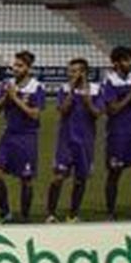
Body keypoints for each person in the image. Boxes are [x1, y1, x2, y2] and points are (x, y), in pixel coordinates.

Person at [0, 50, 45, 223]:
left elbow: (35, 115)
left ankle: (25, 217)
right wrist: (7, 96)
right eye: (15, 65)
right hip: (8, 135)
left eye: (20, 66)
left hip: (27, 137)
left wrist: (16, 99)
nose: (15, 69)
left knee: (26, 179)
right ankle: (5, 212)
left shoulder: (36, 87)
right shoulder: (8, 84)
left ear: (28, 68)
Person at [100, 45, 131, 221]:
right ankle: (110, 211)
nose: (130, 63)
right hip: (117, 133)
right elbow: (113, 110)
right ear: (116, 63)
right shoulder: (109, 81)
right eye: (126, 60)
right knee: (115, 172)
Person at [46, 58, 100, 223]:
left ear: (84, 73)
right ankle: (51, 214)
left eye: (75, 71)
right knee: (58, 178)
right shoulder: (64, 89)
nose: (71, 74)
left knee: (80, 179)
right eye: (70, 71)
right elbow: (62, 110)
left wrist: (87, 100)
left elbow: (97, 113)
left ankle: (73, 214)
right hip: (66, 140)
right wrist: (72, 91)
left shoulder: (96, 90)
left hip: (86, 141)